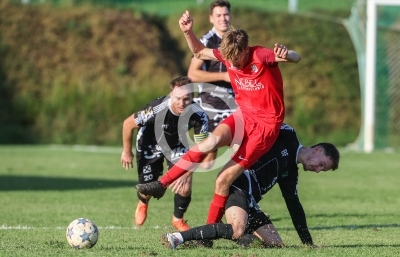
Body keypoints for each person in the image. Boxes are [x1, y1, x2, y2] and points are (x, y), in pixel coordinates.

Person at [136, 11, 302, 226]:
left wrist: (287, 53)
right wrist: (188, 32)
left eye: (237, 58)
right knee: (210, 142)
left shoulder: (261, 55)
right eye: (229, 60)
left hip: (265, 127)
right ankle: (162, 184)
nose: (233, 63)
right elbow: (198, 51)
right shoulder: (228, 55)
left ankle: (207, 233)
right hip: (243, 115)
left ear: (245, 50)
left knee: (223, 179)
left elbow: (296, 58)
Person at [160, 124, 340, 249]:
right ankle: (178, 237)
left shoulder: (290, 174)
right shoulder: (288, 135)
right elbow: (265, 120)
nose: (318, 170)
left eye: (322, 170)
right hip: (238, 185)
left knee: (275, 243)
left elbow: (295, 207)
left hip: (251, 201)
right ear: (317, 150)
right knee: (237, 229)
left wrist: (307, 243)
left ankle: (215, 234)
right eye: (322, 165)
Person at [121, 76, 210, 231]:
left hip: (177, 145)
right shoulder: (156, 109)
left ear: (193, 97)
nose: (181, 103)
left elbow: (202, 148)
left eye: (186, 99)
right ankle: (143, 203)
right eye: (177, 98)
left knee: (185, 186)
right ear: (171, 94)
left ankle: (178, 219)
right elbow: (128, 124)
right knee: (147, 187)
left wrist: (186, 173)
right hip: (150, 144)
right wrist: (127, 152)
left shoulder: (199, 115)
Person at [187, 0, 236, 169]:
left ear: (230, 15)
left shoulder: (237, 40)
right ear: (211, 18)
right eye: (219, 15)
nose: (223, 18)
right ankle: (181, 171)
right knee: (207, 163)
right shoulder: (206, 41)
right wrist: (224, 76)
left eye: (226, 14)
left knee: (242, 151)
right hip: (211, 105)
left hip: (235, 105)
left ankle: (238, 191)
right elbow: (192, 74)